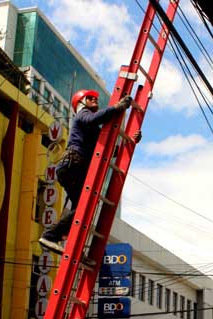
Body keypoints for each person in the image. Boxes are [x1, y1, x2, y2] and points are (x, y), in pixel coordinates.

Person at [38, 89, 140, 253]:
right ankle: (52, 235)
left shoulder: (92, 131)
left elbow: (109, 151)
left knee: (81, 209)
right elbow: (94, 119)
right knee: (82, 206)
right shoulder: (82, 115)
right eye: (90, 98)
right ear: (81, 103)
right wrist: (117, 107)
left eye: (95, 98)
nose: (95, 99)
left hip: (73, 168)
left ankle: (56, 236)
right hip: (73, 165)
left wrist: (131, 141)